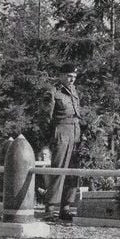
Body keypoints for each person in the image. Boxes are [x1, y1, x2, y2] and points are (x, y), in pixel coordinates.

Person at [44, 64, 83, 221]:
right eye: (68, 76)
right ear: (60, 75)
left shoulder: (74, 91)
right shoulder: (53, 92)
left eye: (74, 76)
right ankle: (51, 208)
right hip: (60, 132)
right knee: (58, 170)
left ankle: (66, 206)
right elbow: (45, 118)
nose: (72, 79)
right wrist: (49, 139)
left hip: (75, 133)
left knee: (73, 172)